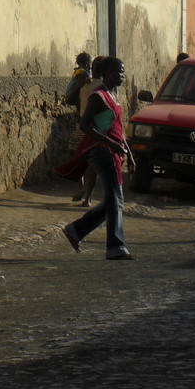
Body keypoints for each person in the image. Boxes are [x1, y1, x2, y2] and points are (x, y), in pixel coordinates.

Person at [55, 57, 136, 260]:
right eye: (118, 72)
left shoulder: (114, 94)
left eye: (123, 71)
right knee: (116, 200)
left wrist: (129, 153)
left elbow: (117, 128)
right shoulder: (98, 96)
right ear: (107, 73)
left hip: (114, 152)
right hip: (102, 152)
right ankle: (115, 247)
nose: (122, 76)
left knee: (112, 200)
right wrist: (111, 144)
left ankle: (76, 230)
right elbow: (85, 126)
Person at [70, 56, 104, 207]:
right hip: (92, 126)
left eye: (95, 65)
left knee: (83, 158)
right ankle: (85, 192)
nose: (92, 67)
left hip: (88, 125)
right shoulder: (83, 79)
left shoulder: (90, 83)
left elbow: (70, 99)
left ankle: (85, 191)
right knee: (85, 159)